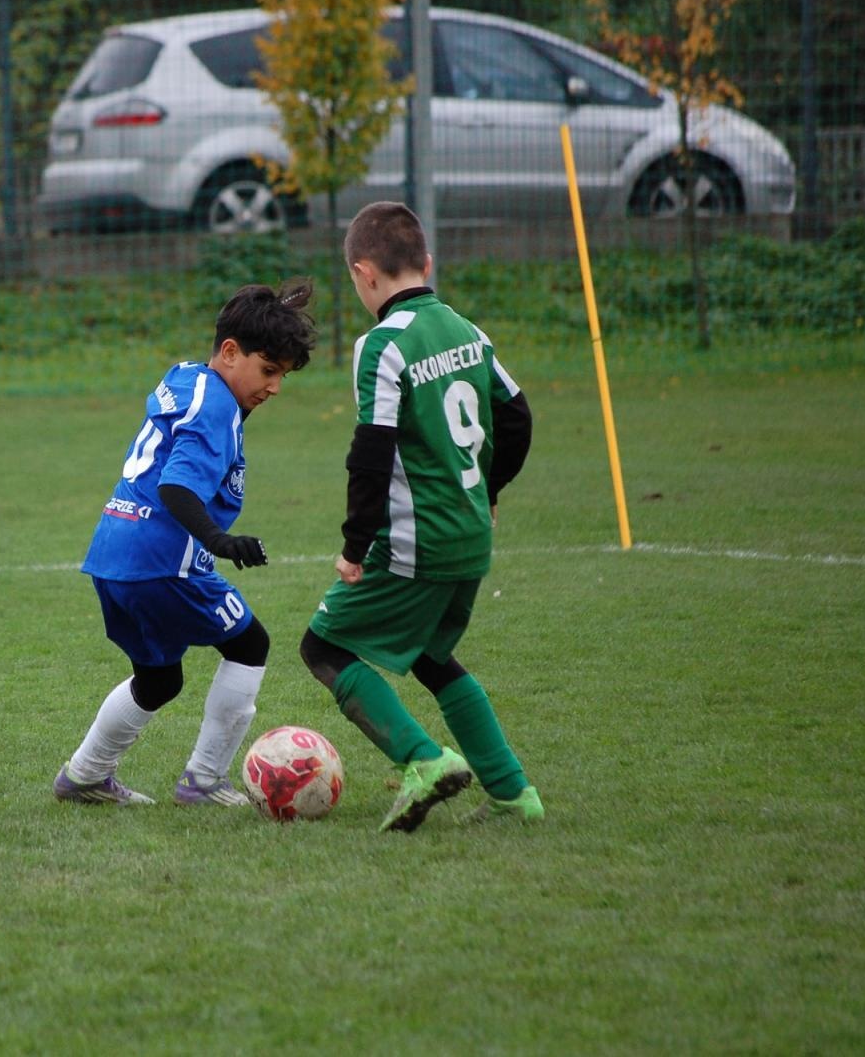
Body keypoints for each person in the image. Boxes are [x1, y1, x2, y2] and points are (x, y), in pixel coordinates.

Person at [298, 201, 541, 832]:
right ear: (426, 263)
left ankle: (423, 759)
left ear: (362, 273)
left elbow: (371, 452)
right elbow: (517, 417)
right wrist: (491, 489)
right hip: (470, 535)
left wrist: (355, 547)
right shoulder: (467, 330)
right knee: (434, 657)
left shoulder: (382, 345)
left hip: (416, 541)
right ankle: (515, 794)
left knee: (322, 645)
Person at [54, 281, 316, 806]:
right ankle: (204, 779)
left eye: (283, 376)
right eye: (268, 371)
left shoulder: (189, 378)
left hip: (114, 554)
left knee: (158, 678)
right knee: (249, 644)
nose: (275, 388)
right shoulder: (216, 406)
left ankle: (83, 776)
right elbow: (177, 483)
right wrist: (221, 540)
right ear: (229, 352)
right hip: (162, 561)